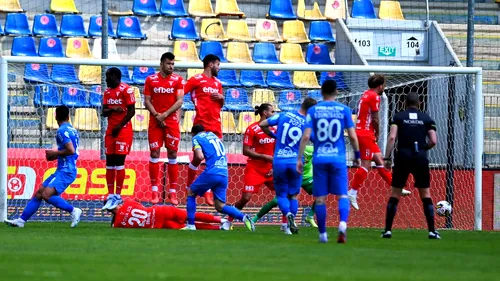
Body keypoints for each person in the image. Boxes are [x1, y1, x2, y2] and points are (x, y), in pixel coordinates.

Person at [297, 80, 361, 243]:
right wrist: (357, 155)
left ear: (321, 92)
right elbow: (353, 136)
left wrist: (299, 158)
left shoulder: (313, 110)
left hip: (320, 159)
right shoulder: (344, 110)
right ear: (337, 92)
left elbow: (305, 137)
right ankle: (342, 225)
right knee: (342, 196)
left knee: (320, 199)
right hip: (338, 158)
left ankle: (323, 235)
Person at [5, 105, 82, 228]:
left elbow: (71, 150)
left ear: (55, 116)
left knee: (47, 195)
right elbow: (72, 152)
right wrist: (55, 156)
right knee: (39, 193)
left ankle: (74, 211)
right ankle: (21, 221)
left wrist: (54, 153)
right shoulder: (73, 130)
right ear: (68, 116)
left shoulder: (61, 131)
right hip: (63, 169)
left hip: (66, 171)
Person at [381, 92, 440, 239]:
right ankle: (432, 231)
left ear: (404, 103)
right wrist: (423, 148)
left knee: (395, 193)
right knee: (425, 194)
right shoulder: (427, 119)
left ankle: (388, 230)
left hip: (403, 156)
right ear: (419, 103)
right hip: (420, 156)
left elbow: (392, 137)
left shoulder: (398, 117)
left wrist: (387, 157)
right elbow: (433, 140)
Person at [348, 74, 410, 210]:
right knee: (365, 165)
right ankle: (352, 192)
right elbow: (375, 118)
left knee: (379, 161)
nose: (384, 88)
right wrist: (378, 132)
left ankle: (396, 187)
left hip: (361, 131)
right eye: (384, 85)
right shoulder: (374, 96)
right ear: (380, 85)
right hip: (366, 133)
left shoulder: (365, 94)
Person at [260, 98, 318, 235]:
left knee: (281, 194)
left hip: (279, 160)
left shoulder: (284, 114)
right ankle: (291, 221)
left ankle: (288, 217)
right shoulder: (308, 124)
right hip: (296, 162)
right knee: (294, 195)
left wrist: (274, 135)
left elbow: (262, 124)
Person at [183, 124, 255, 231]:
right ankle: (244, 217)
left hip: (212, 172)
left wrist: (195, 163)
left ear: (193, 133)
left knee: (191, 193)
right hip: (224, 172)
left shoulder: (196, 138)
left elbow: (199, 156)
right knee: (220, 206)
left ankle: (191, 225)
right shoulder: (214, 136)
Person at [184, 54, 225, 206]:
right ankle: (189, 185)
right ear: (210, 64)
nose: (219, 68)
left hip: (216, 126)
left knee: (213, 161)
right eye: (218, 64)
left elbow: (220, 104)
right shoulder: (196, 80)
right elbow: (181, 92)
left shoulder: (218, 83)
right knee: (198, 158)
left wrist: (221, 98)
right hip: (201, 125)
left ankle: (207, 193)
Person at [144, 52, 184, 205]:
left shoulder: (178, 81)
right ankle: (154, 191)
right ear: (161, 63)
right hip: (155, 121)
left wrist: (165, 115)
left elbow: (180, 101)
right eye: (168, 64)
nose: (171, 67)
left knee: (173, 153)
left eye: (173, 64)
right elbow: (147, 101)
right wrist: (156, 115)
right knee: (154, 152)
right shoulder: (151, 80)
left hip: (171, 122)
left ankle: (172, 193)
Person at [227, 103, 276, 225]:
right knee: (246, 198)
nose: (274, 114)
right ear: (265, 113)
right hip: (255, 168)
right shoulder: (252, 129)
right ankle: (228, 222)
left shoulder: (276, 129)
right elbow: (245, 151)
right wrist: (263, 156)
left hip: (272, 168)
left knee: (285, 193)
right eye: (272, 111)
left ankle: (286, 225)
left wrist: (275, 166)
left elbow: (279, 150)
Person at [251, 144, 317, 229]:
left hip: (307, 178)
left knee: (322, 192)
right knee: (276, 201)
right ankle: (254, 220)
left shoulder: (311, 149)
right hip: (292, 177)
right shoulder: (289, 149)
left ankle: (309, 217)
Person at [101, 67, 136, 209]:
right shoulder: (107, 92)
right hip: (111, 130)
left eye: (108, 77)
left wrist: (119, 126)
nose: (106, 79)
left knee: (119, 162)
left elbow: (132, 111)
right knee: (109, 162)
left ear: (115, 77)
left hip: (123, 130)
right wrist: (113, 109)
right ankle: (110, 195)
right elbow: (103, 112)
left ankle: (118, 195)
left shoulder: (126, 90)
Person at [103, 198, 230, 230]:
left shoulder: (117, 224)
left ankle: (219, 228)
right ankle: (221, 221)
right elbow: (141, 207)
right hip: (159, 211)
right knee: (190, 216)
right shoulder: (128, 203)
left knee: (189, 227)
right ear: (117, 204)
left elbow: (114, 226)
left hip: (159, 224)